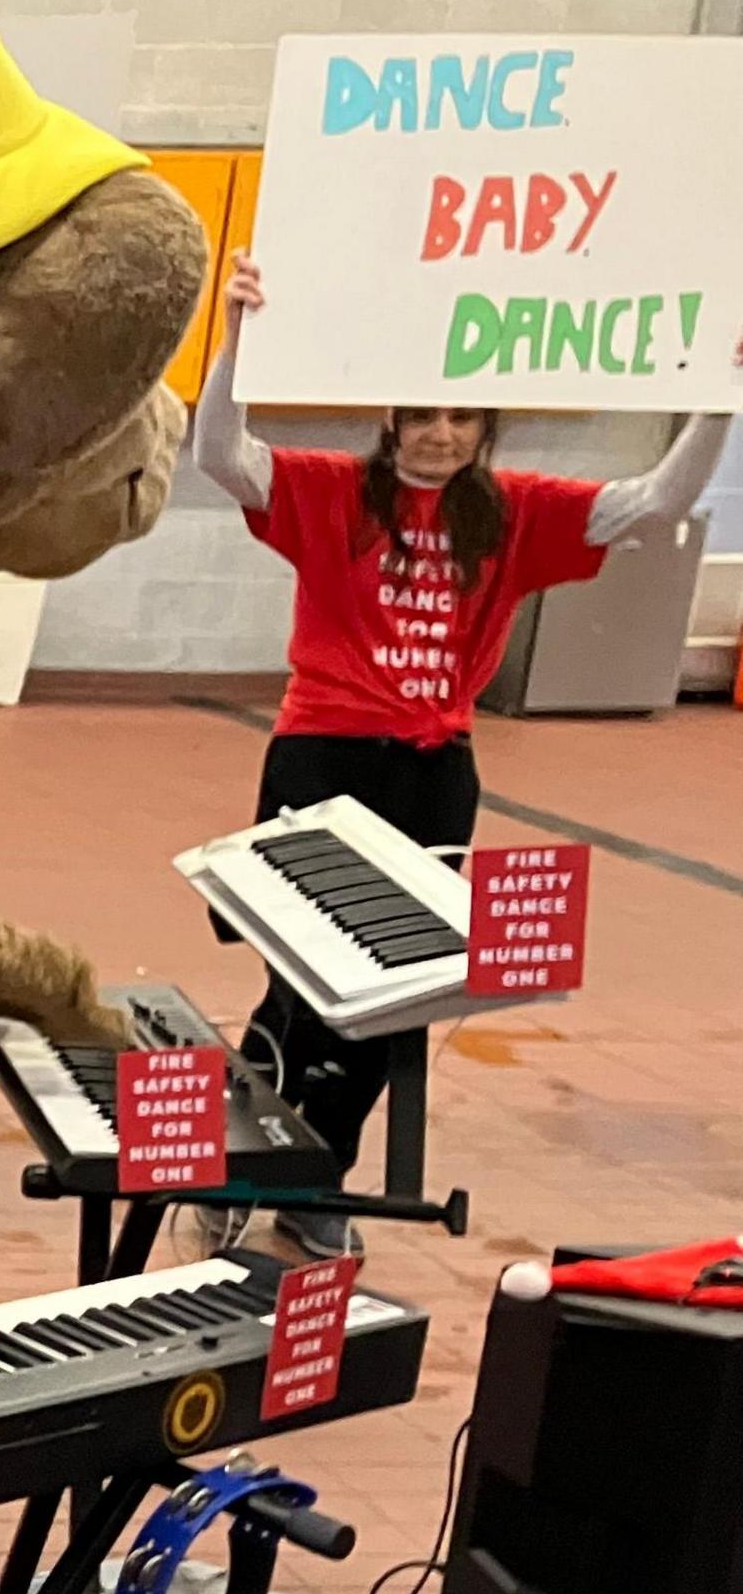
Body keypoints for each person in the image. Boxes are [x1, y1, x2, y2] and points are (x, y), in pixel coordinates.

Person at [195, 252, 732, 1246]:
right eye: (422, 413)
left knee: (395, 991)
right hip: (323, 756)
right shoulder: (332, 493)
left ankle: (318, 1189)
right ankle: (236, 1169)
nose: (441, 432)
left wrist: (719, 402)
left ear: (487, 426)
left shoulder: (514, 511)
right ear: (389, 419)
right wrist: (237, 337)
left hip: (434, 774)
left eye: (462, 415)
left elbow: (655, 503)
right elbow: (221, 455)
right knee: (301, 985)